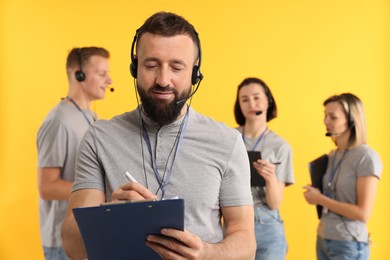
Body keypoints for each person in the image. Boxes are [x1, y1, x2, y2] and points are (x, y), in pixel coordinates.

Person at [61, 11, 256, 260]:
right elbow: (70, 243)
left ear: (195, 72)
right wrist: (108, 217)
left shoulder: (227, 142)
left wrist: (206, 254)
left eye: (176, 67)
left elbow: (246, 243)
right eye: (151, 65)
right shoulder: (99, 137)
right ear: (135, 67)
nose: (163, 80)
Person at [36, 47, 112, 260]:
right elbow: (47, 187)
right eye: (102, 73)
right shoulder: (59, 122)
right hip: (62, 244)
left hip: (86, 236)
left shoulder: (91, 116)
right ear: (79, 74)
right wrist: (99, 191)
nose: (109, 80)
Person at [303, 93, 382, 260]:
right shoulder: (333, 155)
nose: (326, 122)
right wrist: (313, 194)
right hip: (324, 238)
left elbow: (363, 213)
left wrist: (320, 199)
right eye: (325, 116)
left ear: (352, 120)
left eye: (333, 117)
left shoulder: (366, 157)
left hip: (349, 244)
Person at [234, 77, 294, 260]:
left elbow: (275, 203)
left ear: (268, 101)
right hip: (234, 221)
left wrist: (270, 178)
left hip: (268, 225)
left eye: (256, 97)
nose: (251, 103)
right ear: (239, 105)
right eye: (244, 99)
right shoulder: (229, 138)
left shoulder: (281, 146)